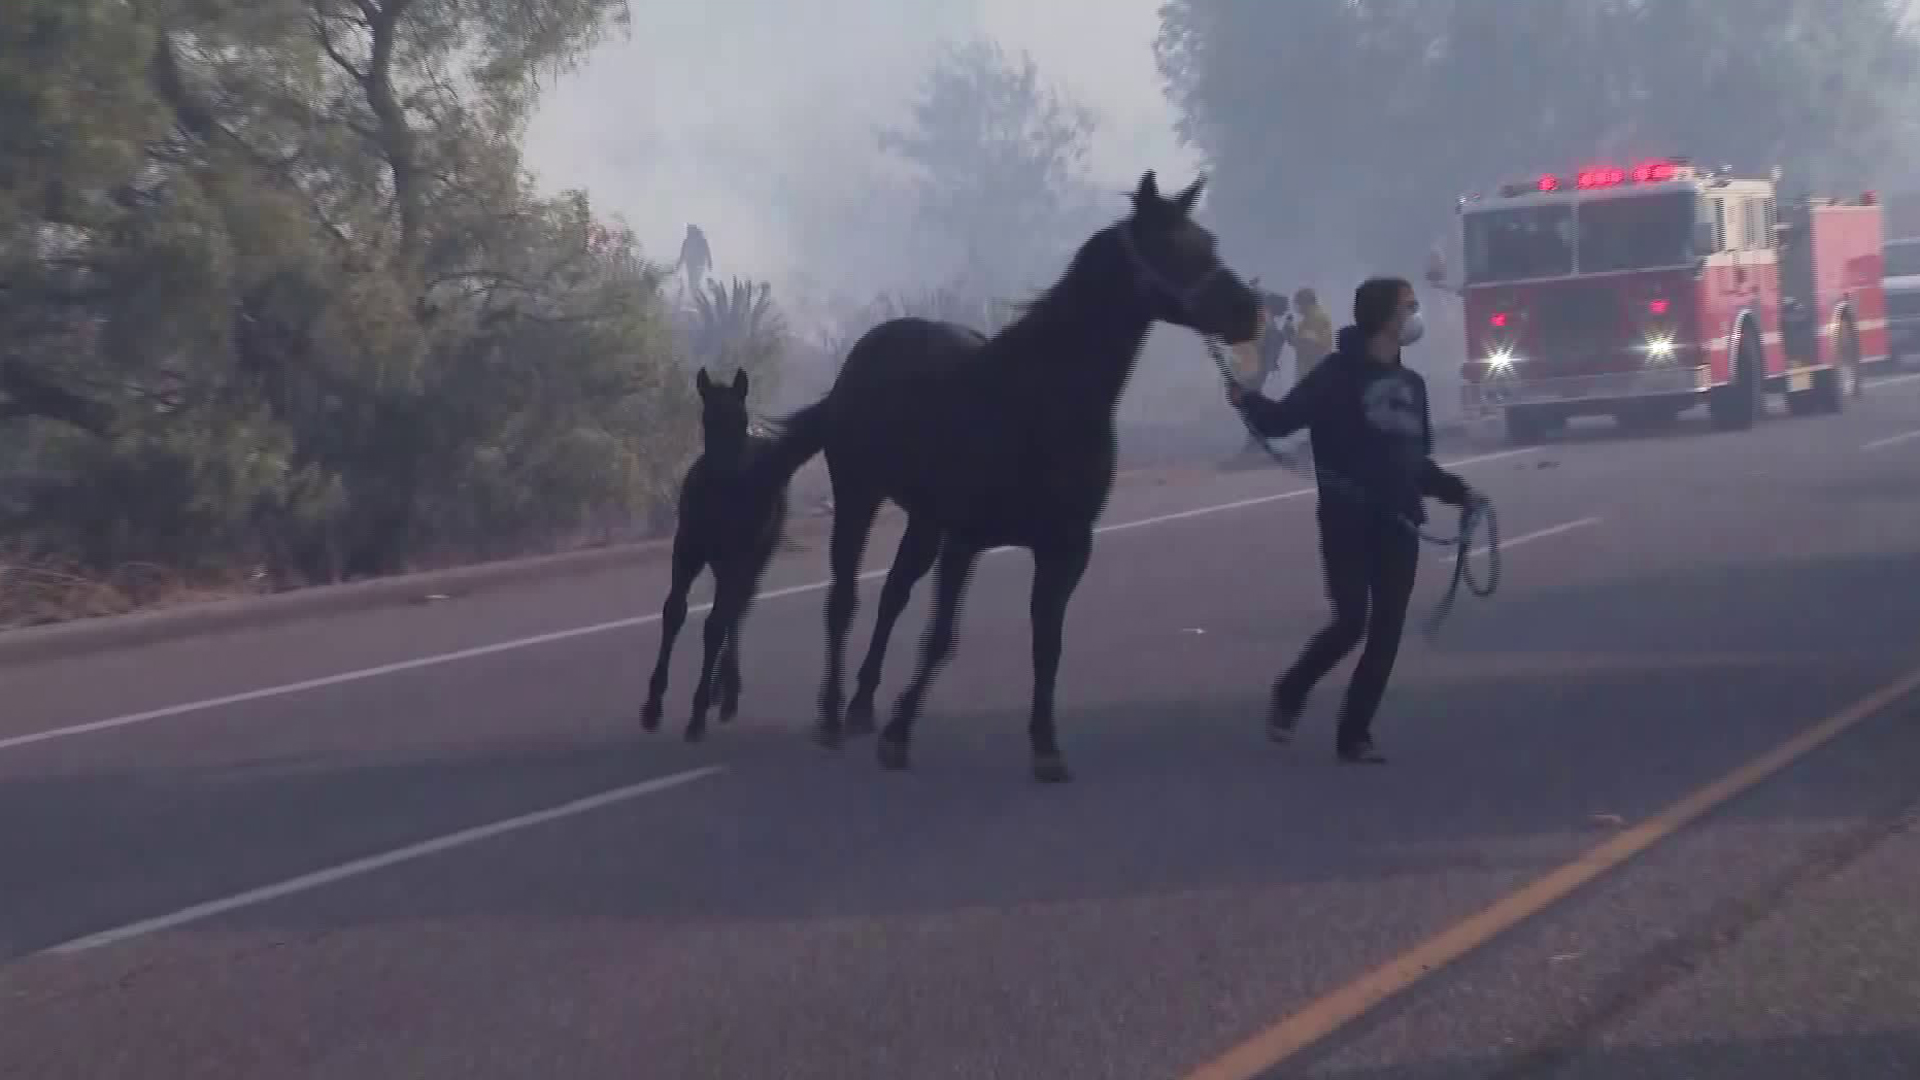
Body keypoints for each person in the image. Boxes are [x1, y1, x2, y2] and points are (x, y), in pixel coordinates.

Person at [1225, 277, 1479, 764]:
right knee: (1349, 622)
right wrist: (1246, 400)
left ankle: (1354, 734)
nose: (1414, 315)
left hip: (1400, 522)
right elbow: (1281, 421)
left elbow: (1415, 464)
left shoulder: (1412, 385)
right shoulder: (1333, 377)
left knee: (1386, 631)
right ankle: (1291, 691)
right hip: (1345, 521)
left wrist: (1459, 493)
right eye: (1409, 307)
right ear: (1386, 317)